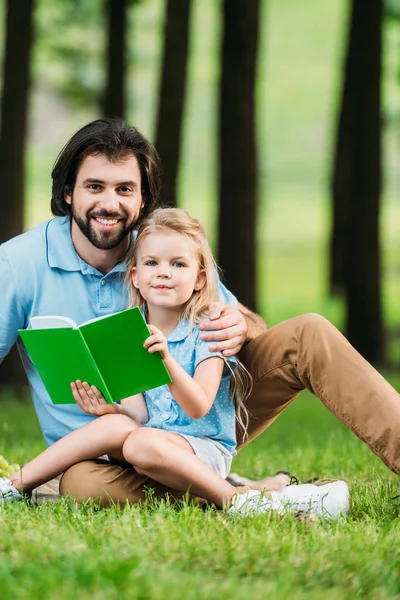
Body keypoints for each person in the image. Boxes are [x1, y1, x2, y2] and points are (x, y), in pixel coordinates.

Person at [0, 118, 399, 507]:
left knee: (309, 333)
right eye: (94, 187)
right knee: (85, 487)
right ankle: (247, 494)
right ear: (68, 192)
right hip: (100, 456)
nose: (110, 203)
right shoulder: (19, 264)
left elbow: (246, 324)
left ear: (142, 201)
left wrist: (241, 325)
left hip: (198, 421)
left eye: (125, 189)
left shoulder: (163, 251)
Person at [0, 208, 350, 519]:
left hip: (201, 448)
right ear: (135, 276)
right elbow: (136, 417)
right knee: (116, 433)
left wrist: (166, 362)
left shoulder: (207, 328)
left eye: (177, 264)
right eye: (152, 263)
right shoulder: (129, 330)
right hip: (150, 447)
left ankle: (234, 499)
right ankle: (15, 485)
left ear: (199, 279)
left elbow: (198, 405)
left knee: (139, 443)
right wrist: (108, 409)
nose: (163, 273)